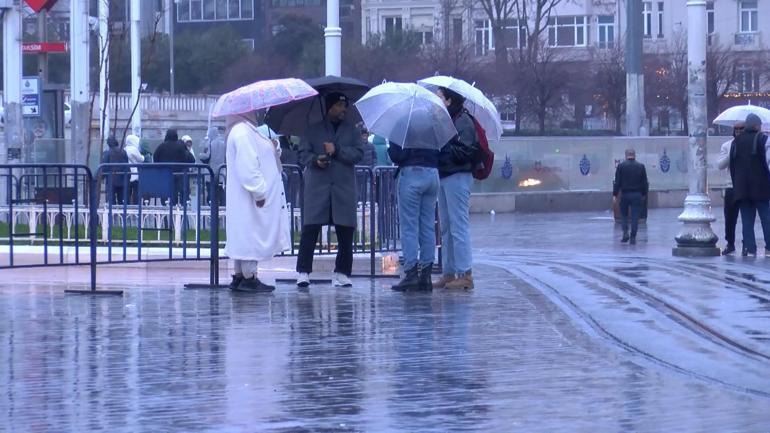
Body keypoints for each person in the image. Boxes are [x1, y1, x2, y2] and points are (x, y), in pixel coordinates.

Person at [296, 92, 364, 288]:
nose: (343, 110)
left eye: (345, 106)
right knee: (310, 229)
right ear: (329, 108)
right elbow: (303, 154)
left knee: (345, 231)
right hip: (318, 187)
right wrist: (315, 160)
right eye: (339, 106)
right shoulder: (312, 130)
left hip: (343, 187)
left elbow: (359, 153)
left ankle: (343, 272)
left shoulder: (352, 131)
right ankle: (303, 272)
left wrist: (338, 150)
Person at [224, 112, 291, 292]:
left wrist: (273, 146)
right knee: (250, 234)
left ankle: (240, 274)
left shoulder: (246, 130)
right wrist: (260, 192)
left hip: (246, 196)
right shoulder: (243, 132)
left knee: (245, 235)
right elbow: (248, 166)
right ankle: (249, 276)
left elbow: (261, 153)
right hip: (251, 196)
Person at [387, 119, 441, 292]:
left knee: (409, 226)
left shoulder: (402, 123)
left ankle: (411, 273)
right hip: (433, 174)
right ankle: (426, 276)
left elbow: (396, 155)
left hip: (411, 174)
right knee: (427, 226)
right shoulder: (434, 124)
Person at [435, 87, 479, 290]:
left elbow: (467, 151)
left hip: (458, 176)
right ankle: (449, 272)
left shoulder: (463, 121)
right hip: (445, 175)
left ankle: (465, 273)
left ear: (449, 100)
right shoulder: (448, 121)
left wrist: (445, 144)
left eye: (440, 97)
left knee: (458, 225)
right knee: (446, 227)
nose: (437, 100)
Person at [729, 113, 770, 257]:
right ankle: (769, 248)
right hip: (761, 187)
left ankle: (750, 248)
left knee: (747, 220)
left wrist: (737, 185)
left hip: (741, 188)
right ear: (757, 126)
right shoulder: (763, 139)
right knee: (766, 218)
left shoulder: (735, 142)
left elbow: (732, 166)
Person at [717, 122, 745, 255]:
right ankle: (730, 243)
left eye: (741, 129)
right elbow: (720, 165)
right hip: (731, 186)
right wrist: (732, 152)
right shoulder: (727, 145)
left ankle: (747, 244)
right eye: (736, 129)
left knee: (747, 217)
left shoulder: (749, 145)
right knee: (729, 218)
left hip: (746, 187)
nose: (738, 131)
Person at [613, 149, 649, 245]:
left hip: (625, 194)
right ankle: (633, 236)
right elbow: (644, 182)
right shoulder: (641, 166)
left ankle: (625, 233)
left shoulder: (621, 166)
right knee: (635, 216)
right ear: (634, 155)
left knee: (624, 215)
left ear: (626, 155)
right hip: (637, 195)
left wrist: (615, 194)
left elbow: (617, 182)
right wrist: (644, 194)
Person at [154, 129, 195, 206]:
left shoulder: (162, 146)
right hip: (179, 176)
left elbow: (155, 158)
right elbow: (191, 160)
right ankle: (180, 216)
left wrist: (160, 168)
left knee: (165, 199)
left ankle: (166, 216)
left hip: (164, 176)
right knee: (178, 199)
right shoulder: (181, 146)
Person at [200, 126, 227, 205]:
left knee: (211, 193)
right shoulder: (224, 143)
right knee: (221, 192)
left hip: (210, 173)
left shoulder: (210, 143)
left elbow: (207, 156)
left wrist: (200, 155)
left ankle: (211, 209)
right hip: (221, 173)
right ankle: (222, 210)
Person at [101, 136, 129, 205]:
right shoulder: (123, 152)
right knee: (121, 201)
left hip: (111, 180)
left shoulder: (107, 153)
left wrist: (102, 177)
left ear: (108, 144)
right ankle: (122, 215)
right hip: (122, 179)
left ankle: (112, 215)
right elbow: (127, 165)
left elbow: (104, 167)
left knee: (111, 201)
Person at [124, 134, 146, 205]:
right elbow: (141, 159)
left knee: (128, 193)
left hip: (127, 174)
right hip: (135, 174)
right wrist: (143, 156)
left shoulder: (125, 149)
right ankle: (136, 207)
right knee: (136, 192)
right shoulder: (133, 149)